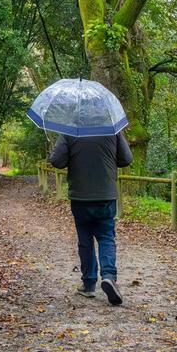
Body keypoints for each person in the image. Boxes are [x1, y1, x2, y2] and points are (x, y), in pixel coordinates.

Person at [48, 130, 133, 305]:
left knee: (85, 240)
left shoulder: (70, 130)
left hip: (80, 196)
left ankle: (88, 285)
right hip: (106, 194)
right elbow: (126, 159)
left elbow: (57, 161)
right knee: (106, 237)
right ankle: (109, 277)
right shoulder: (111, 129)